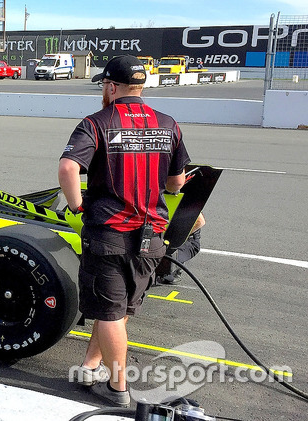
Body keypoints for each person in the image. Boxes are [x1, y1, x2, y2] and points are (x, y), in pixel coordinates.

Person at [58, 55, 190, 407]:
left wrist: (76, 205)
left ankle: (117, 389)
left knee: (110, 313)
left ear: (111, 86)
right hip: (151, 238)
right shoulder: (168, 124)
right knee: (117, 309)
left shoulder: (97, 122)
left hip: (110, 234)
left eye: (104, 85)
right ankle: (90, 366)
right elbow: (177, 182)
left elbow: (69, 167)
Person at [155, 212, 205, 285]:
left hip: (187, 241)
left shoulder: (188, 202)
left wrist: (180, 235)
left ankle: (176, 270)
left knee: (167, 258)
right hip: (167, 236)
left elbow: (200, 222)